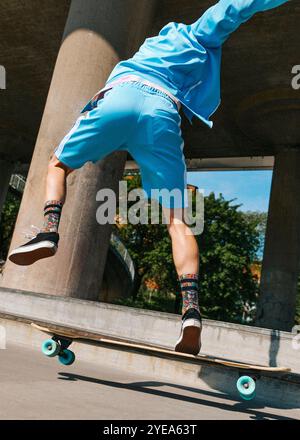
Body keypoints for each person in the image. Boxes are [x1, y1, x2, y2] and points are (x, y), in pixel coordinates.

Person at [8, 0, 290, 355]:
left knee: (57, 164)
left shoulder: (148, 49)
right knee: (177, 221)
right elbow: (235, 6)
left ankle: (49, 230)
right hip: (162, 113)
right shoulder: (196, 36)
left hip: (118, 98)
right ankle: (190, 310)